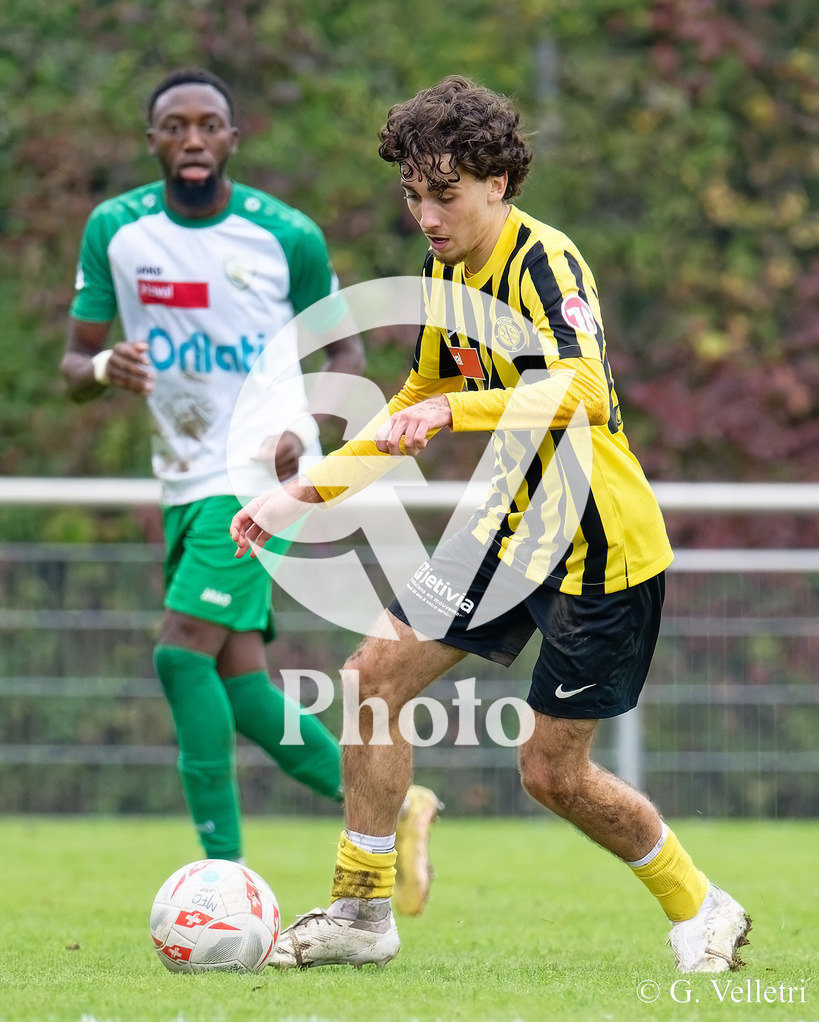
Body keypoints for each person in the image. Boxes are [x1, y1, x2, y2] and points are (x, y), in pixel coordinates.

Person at [230, 75, 752, 972]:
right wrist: (301, 494)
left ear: (496, 185)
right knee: (369, 681)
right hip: (511, 529)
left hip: (601, 551)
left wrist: (452, 416)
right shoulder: (443, 272)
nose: (426, 216)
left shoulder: (544, 262)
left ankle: (701, 905)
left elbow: (584, 390)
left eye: (445, 195)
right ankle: (361, 913)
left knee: (550, 775)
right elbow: (418, 399)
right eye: (413, 195)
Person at [60, 68, 442, 914]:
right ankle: (401, 808)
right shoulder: (115, 232)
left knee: (177, 650)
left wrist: (308, 419)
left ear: (233, 139)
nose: (192, 139)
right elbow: (73, 364)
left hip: (257, 476)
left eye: (209, 125)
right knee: (240, 688)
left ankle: (222, 882)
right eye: (174, 126)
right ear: (152, 139)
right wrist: (99, 365)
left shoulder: (286, 237)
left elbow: (344, 355)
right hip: (180, 472)